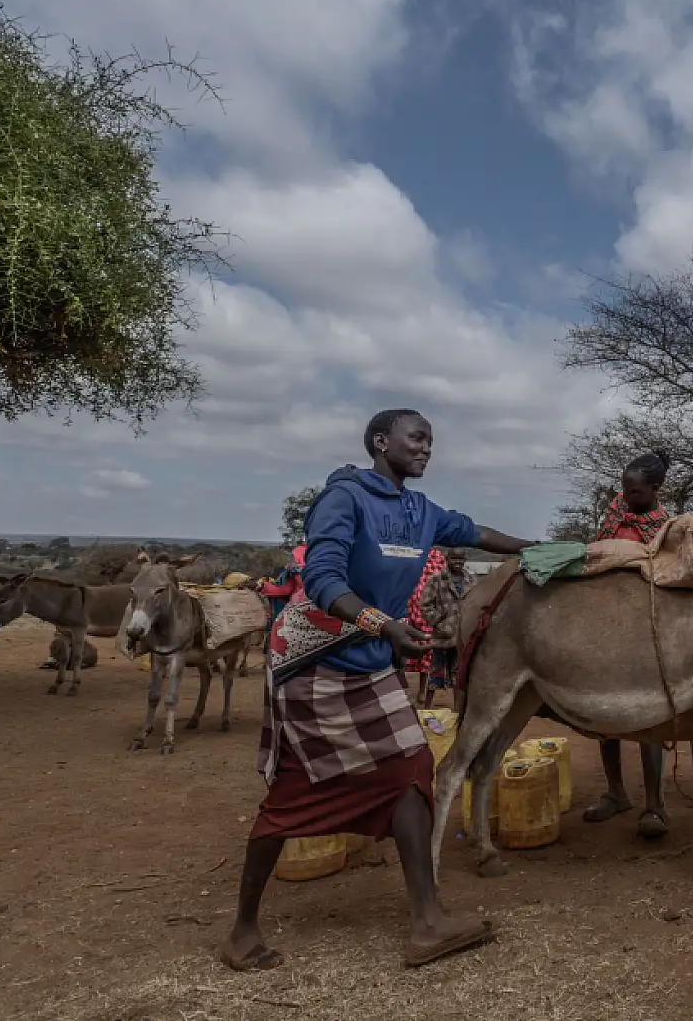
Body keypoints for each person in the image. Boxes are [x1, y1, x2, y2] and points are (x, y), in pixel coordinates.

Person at [219, 409, 533, 972]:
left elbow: (477, 532)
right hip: (316, 659)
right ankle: (242, 931)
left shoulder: (421, 510)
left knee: (412, 772)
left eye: (432, 440)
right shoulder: (344, 499)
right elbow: (322, 580)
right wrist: (383, 625)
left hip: (368, 662)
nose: (427, 448)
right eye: (417, 437)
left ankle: (427, 920)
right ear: (380, 442)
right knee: (294, 793)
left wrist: (536, 549)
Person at [581, 451, 674, 839]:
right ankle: (616, 793)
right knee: (605, 718)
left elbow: (667, 571)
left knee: (649, 720)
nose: (625, 495)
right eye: (623, 488)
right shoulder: (615, 512)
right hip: (606, 623)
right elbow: (600, 550)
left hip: (645, 627)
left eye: (633, 491)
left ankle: (655, 806)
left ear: (654, 490)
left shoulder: (666, 527)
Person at [414, 547, 473, 709]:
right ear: (447, 559)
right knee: (436, 672)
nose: (458, 562)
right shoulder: (436, 579)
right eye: (454, 559)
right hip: (442, 636)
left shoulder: (470, 580)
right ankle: (427, 708)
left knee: (458, 674)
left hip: (462, 637)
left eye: (461, 559)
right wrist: (439, 623)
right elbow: (425, 606)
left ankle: (456, 710)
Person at [404, 548, 447, 700]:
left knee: (426, 651)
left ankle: (422, 691)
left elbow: (443, 580)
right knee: (402, 648)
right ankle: (402, 688)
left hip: (429, 610)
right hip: (408, 607)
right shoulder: (410, 552)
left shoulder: (438, 556)